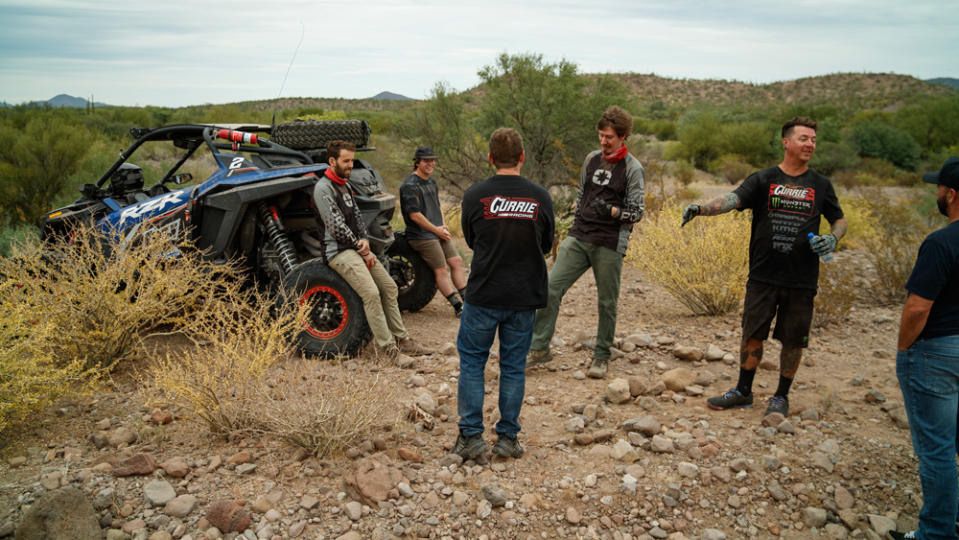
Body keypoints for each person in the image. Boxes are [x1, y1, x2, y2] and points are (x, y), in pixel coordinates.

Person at [682, 116, 847, 418]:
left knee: (793, 339)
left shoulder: (821, 185)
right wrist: (701, 209)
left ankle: (781, 396)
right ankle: (743, 391)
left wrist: (832, 238)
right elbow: (734, 198)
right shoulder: (764, 179)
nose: (810, 143)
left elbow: (839, 219)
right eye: (803, 138)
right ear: (786, 142)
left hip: (802, 278)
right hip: (763, 274)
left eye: (813, 139)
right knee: (752, 333)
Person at [452, 128, 554, 461]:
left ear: (490, 158)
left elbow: (471, 239)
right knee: (513, 367)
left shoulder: (474, 195)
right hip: (524, 295)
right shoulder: (539, 196)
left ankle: (471, 437)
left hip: (484, 294)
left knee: (472, 363)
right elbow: (545, 243)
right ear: (522, 156)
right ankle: (507, 438)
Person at [526, 106, 645, 379]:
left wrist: (613, 212)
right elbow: (582, 195)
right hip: (580, 236)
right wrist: (574, 224)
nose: (603, 141)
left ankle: (602, 355)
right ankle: (539, 348)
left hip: (610, 241)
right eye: (601, 136)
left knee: (606, 302)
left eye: (609, 137)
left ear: (623, 136)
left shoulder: (632, 169)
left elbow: (637, 212)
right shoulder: (591, 159)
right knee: (550, 288)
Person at [889, 157, 959, 540]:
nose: (936, 193)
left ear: (950, 194)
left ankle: (935, 533)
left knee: (937, 450)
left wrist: (904, 349)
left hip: (937, 353)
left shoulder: (941, 242)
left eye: (938, 188)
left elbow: (918, 307)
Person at [313, 140, 427, 359]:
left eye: (351, 160)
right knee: (372, 294)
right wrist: (361, 248)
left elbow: (356, 216)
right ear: (332, 161)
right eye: (345, 161)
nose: (349, 165)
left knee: (389, 288)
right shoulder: (323, 188)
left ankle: (402, 340)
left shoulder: (344, 184)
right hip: (338, 252)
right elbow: (335, 226)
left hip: (356, 248)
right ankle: (389, 350)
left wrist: (364, 239)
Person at [399, 146, 467, 316]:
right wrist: (436, 231)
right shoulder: (409, 186)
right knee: (441, 269)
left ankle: (468, 301)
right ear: (417, 162)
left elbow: (437, 207)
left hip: (438, 231)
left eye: (432, 160)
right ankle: (458, 306)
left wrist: (442, 227)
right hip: (421, 235)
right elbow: (415, 216)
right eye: (426, 160)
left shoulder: (432, 182)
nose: (431, 163)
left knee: (457, 261)